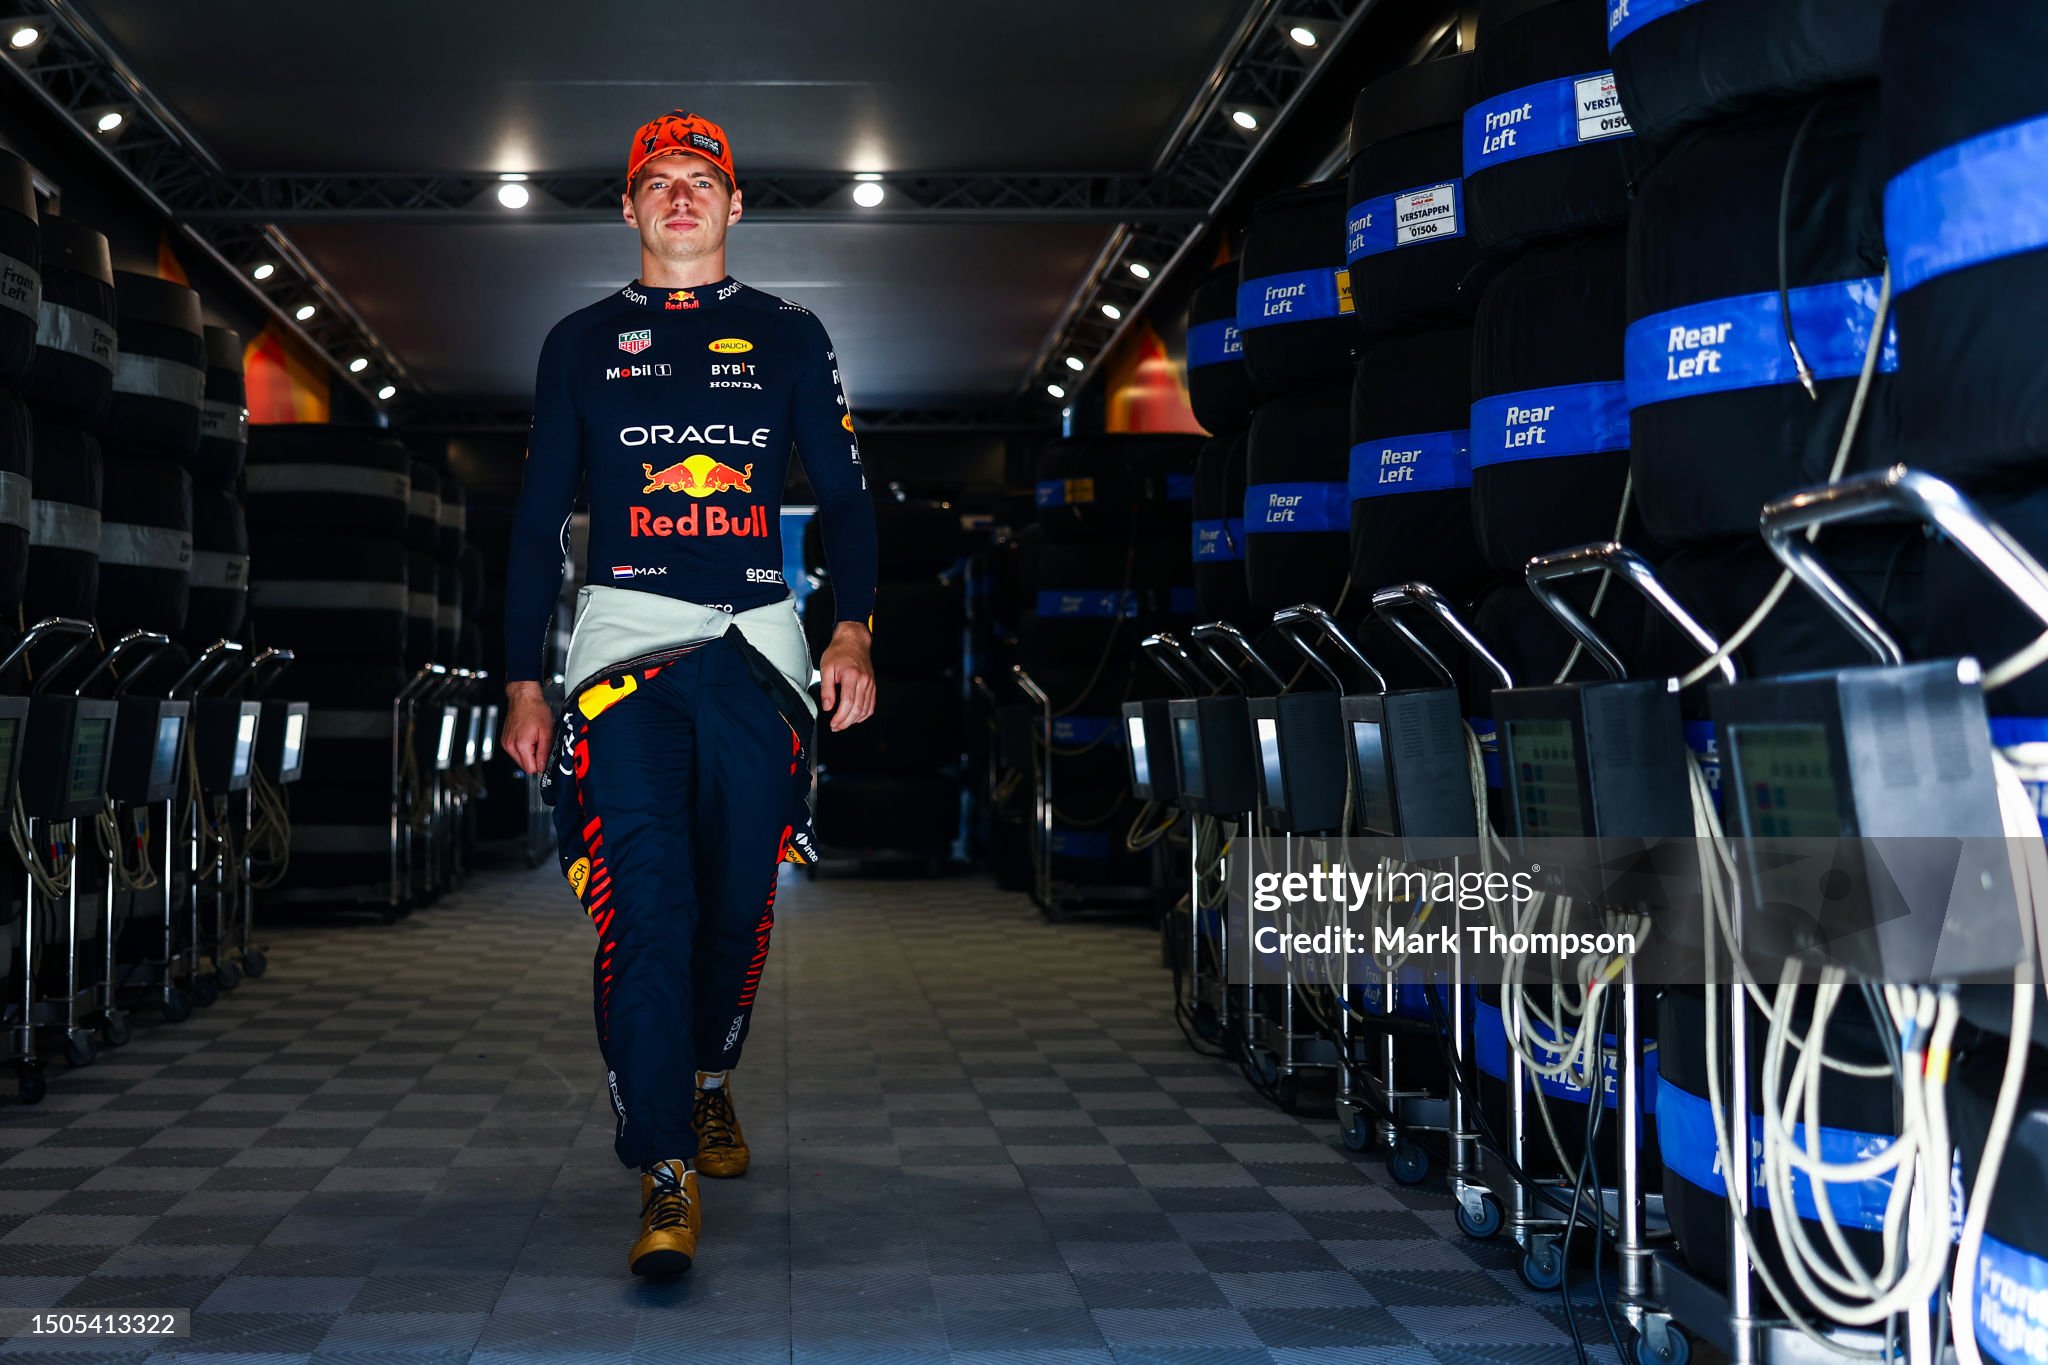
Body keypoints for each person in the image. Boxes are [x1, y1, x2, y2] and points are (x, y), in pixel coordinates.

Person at [498, 110, 878, 1277]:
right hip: (619, 654)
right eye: (655, 183)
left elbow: (852, 502)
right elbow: (531, 527)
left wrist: (851, 631)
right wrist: (522, 679)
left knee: (732, 902)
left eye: (697, 183)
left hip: (757, 651)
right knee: (646, 909)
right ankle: (662, 1165)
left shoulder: (788, 334)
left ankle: (709, 1078)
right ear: (626, 208)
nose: (677, 199)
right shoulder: (576, 342)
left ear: (733, 207)